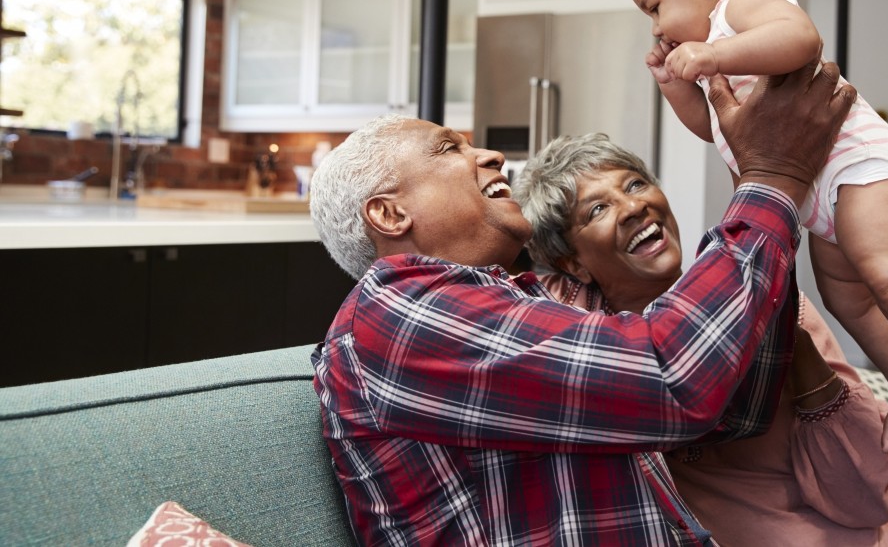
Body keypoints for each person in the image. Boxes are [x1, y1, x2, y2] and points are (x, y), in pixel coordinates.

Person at [306, 60, 855, 545]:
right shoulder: (397, 314)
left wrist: (756, 172)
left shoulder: (508, 301)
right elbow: (670, 378)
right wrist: (772, 182)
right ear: (389, 215)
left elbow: (732, 410)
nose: (492, 155)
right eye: (450, 148)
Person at [514, 132, 888, 547]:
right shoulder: (593, 347)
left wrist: (798, 352)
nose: (631, 207)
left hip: (884, 521)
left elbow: (871, 499)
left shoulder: (759, 296)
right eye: (595, 211)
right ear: (572, 265)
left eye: (634, 184)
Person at [616, 0, 888, 489]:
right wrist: (674, 85)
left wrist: (712, 54)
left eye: (654, 5)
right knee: (850, 300)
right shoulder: (718, 40)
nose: (655, 24)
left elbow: (801, 39)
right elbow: (711, 126)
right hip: (818, 191)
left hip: (859, 167)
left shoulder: (744, 5)